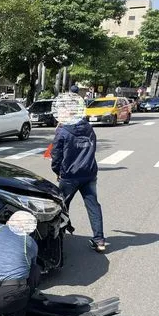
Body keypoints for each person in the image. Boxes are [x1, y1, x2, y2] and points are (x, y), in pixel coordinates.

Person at [51, 85, 106, 252]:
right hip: (89, 173)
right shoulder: (88, 128)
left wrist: (57, 171)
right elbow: (92, 147)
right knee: (93, 205)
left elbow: (56, 156)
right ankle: (99, 240)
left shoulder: (63, 131)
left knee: (60, 206)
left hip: (70, 175)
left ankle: (57, 240)